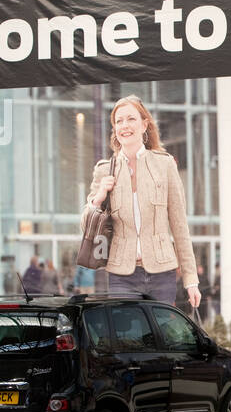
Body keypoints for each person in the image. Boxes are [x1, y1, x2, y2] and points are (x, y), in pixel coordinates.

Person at [85, 94, 200, 308]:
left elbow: (179, 226)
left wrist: (190, 279)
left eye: (131, 119)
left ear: (144, 124)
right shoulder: (104, 169)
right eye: (118, 121)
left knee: (160, 338)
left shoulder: (164, 165)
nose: (124, 126)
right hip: (122, 275)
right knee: (128, 339)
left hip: (162, 272)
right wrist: (99, 196)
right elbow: (85, 225)